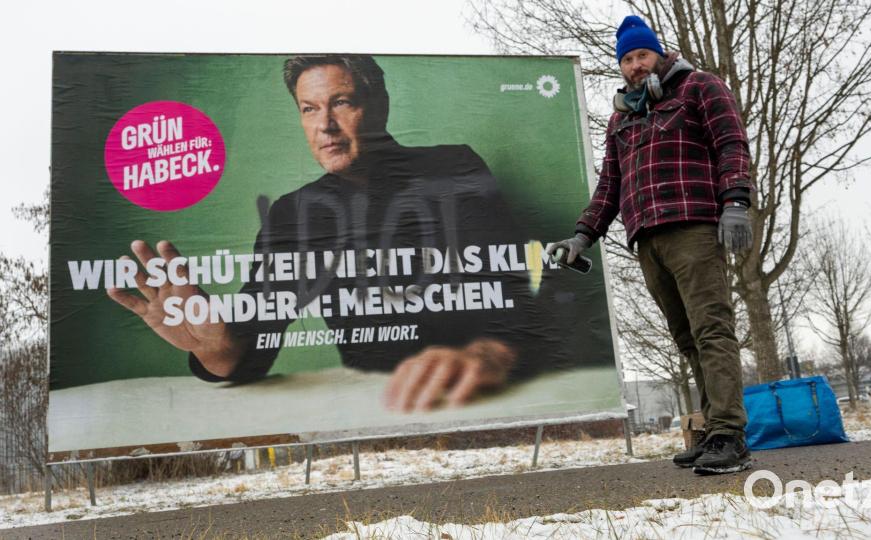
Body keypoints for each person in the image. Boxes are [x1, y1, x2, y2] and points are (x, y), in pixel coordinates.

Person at [109, 55, 601, 413]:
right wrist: (213, 348)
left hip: (496, 399)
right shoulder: (292, 214)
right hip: (377, 413)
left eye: (341, 102)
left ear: (379, 104)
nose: (325, 126)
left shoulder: (455, 167)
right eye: (308, 109)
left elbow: (516, 285)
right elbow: (252, 346)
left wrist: (490, 351)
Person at [547, 16, 754, 475]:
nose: (635, 65)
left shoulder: (700, 87)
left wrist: (736, 201)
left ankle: (730, 436)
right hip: (647, 239)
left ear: (659, 55)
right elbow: (610, 186)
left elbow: (731, 143)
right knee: (688, 339)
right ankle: (713, 430)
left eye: (642, 55)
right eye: (626, 59)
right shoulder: (620, 118)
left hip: (694, 227)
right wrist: (581, 236)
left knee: (712, 329)